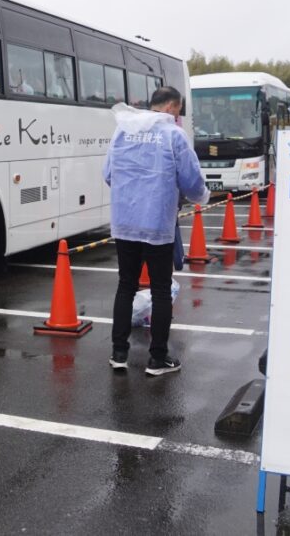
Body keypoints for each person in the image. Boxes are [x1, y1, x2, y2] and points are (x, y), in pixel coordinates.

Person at [103, 86, 210, 375]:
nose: (178, 116)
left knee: (126, 284)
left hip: (125, 221)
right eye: (178, 111)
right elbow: (191, 180)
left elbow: (108, 174)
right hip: (157, 222)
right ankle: (158, 358)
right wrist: (202, 196)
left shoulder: (122, 131)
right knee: (161, 289)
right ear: (172, 107)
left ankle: (118, 353)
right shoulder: (174, 135)